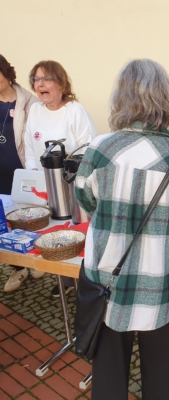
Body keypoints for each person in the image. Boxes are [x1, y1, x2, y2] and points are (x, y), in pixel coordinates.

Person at [75, 59, 169, 400]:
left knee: (108, 380)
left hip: (107, 282)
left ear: (120, 98)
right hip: (160, 283)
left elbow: (86, 202)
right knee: (162, 377)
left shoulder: (99, 150)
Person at [24, 60, 97, 297]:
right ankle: (63, 278)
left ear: (61, 84)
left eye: (46, 79)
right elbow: (29, 149)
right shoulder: (35, 111)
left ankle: (83, 279)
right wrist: (36, 180)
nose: (40, 84)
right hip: (45, 188)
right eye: (36, 79)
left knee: (77, 231)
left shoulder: (74, 111)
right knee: (53, 233)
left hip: (73, 187)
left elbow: (89, 148)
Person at [0, 55, 45, 292]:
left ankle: (35, 257)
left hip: (21, 173)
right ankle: (17, 268)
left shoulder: (28, 102)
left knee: (29, 218)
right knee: (4, 224)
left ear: (7, 73)